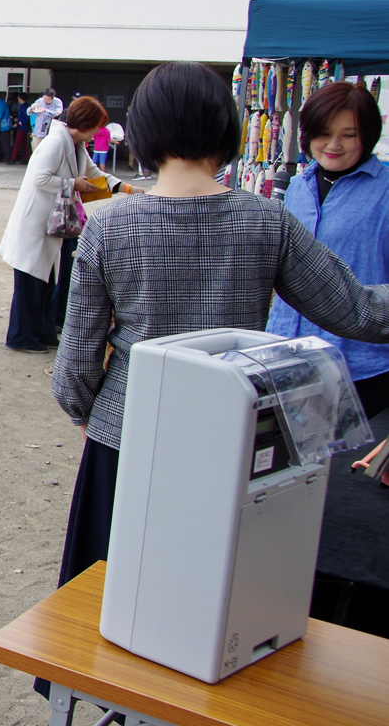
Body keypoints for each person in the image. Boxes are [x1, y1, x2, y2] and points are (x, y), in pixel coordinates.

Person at [51, 61, 389, 600]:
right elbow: (359, 312)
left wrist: (95, 413)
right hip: (235, 434)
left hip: (129, 432)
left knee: (110, 603)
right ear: (226, 129)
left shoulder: (110, 226)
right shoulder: (267, 219)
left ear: (143, 132)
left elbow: (75, 368)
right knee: (212, 603)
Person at [268, 82, 389, 421]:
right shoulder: (295, 187)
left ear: (368, 135)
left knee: (343, 472)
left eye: (349, 135)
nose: (333, 145)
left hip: (361, 367)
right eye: (323, 133)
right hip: (287, 358)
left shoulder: (385, 191)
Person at [0, 96, 140, 354]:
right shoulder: (54, 143)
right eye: (97, 126)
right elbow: (40, 178)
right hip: (36, 222)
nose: (98, 132)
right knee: (31, 282)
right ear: (85, 123)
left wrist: (130, 189)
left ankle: (42, 332)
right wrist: (73, 184)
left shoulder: (75, 145)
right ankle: (21, 336)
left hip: (51, 224)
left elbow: (95, 175)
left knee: (47, 282)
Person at [27, 88, 64, 153]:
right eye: (44, 99)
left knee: (47, 152)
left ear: (52, 98)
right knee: (35, 151)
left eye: (48, 100)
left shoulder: (57, 102)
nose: (45, 101)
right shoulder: (39, 101)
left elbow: (58, 113)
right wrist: (32, 108)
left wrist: (45, 110)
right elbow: (28, 113)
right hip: (37, 132)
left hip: (50, 132)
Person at [10, 93, 32, 164]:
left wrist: (18, 123)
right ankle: (27, 158)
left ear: (20, 98)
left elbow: (26, 118)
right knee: (24, 144)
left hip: (22, 128)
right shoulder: (24, 106)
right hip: (23, 128)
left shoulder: (23, 107)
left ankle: (13, 159)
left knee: (16, 143)